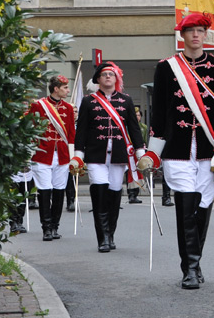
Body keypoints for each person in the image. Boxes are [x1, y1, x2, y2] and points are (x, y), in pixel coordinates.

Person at [137, 13, 214, 289]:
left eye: (200, 30)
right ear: (181, 35)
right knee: (185, 201)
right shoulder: (166, 67)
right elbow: (158, 113)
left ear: (206, 35)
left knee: (203, 203)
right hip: (177, 146)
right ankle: (190, 268)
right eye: (190, 30)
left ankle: (194, 261)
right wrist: (152, 152)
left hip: (209, 147)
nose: (195, 35)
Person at [71, 61, 145, 253]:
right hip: (96, 154)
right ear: (98, 79)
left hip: (119, 155)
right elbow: (82, 131)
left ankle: (110, 233)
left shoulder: (126, 100)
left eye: (111, 74)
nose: (108, 77)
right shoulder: (89, 101)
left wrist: (140, 153)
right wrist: (79, 155)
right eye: (104, 74)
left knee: (114, 194)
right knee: (100, 191)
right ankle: (102, 238)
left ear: (116, 78)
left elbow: (134, 129)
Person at [28, 75, 75, 241]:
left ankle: (55, 227)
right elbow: (30, 127)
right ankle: (46, 228)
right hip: (42, 153)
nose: (68, 91)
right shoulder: (38, 105)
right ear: (56, 89)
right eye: (65, 88)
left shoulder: (69, 108)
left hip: (62, 154)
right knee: (44, 190)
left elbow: (71, 134)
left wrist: (74, 157)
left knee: (59, 190)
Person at [126, 106, 147, 204]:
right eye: (135, 115)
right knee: (130, 172)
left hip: (139, 150)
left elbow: (145, 139)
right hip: (130, 151)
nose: (137, 117)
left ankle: (136, 193)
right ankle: (131, 194)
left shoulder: (143, 127)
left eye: (139, 115)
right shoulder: (126, 126)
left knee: (139, 172)